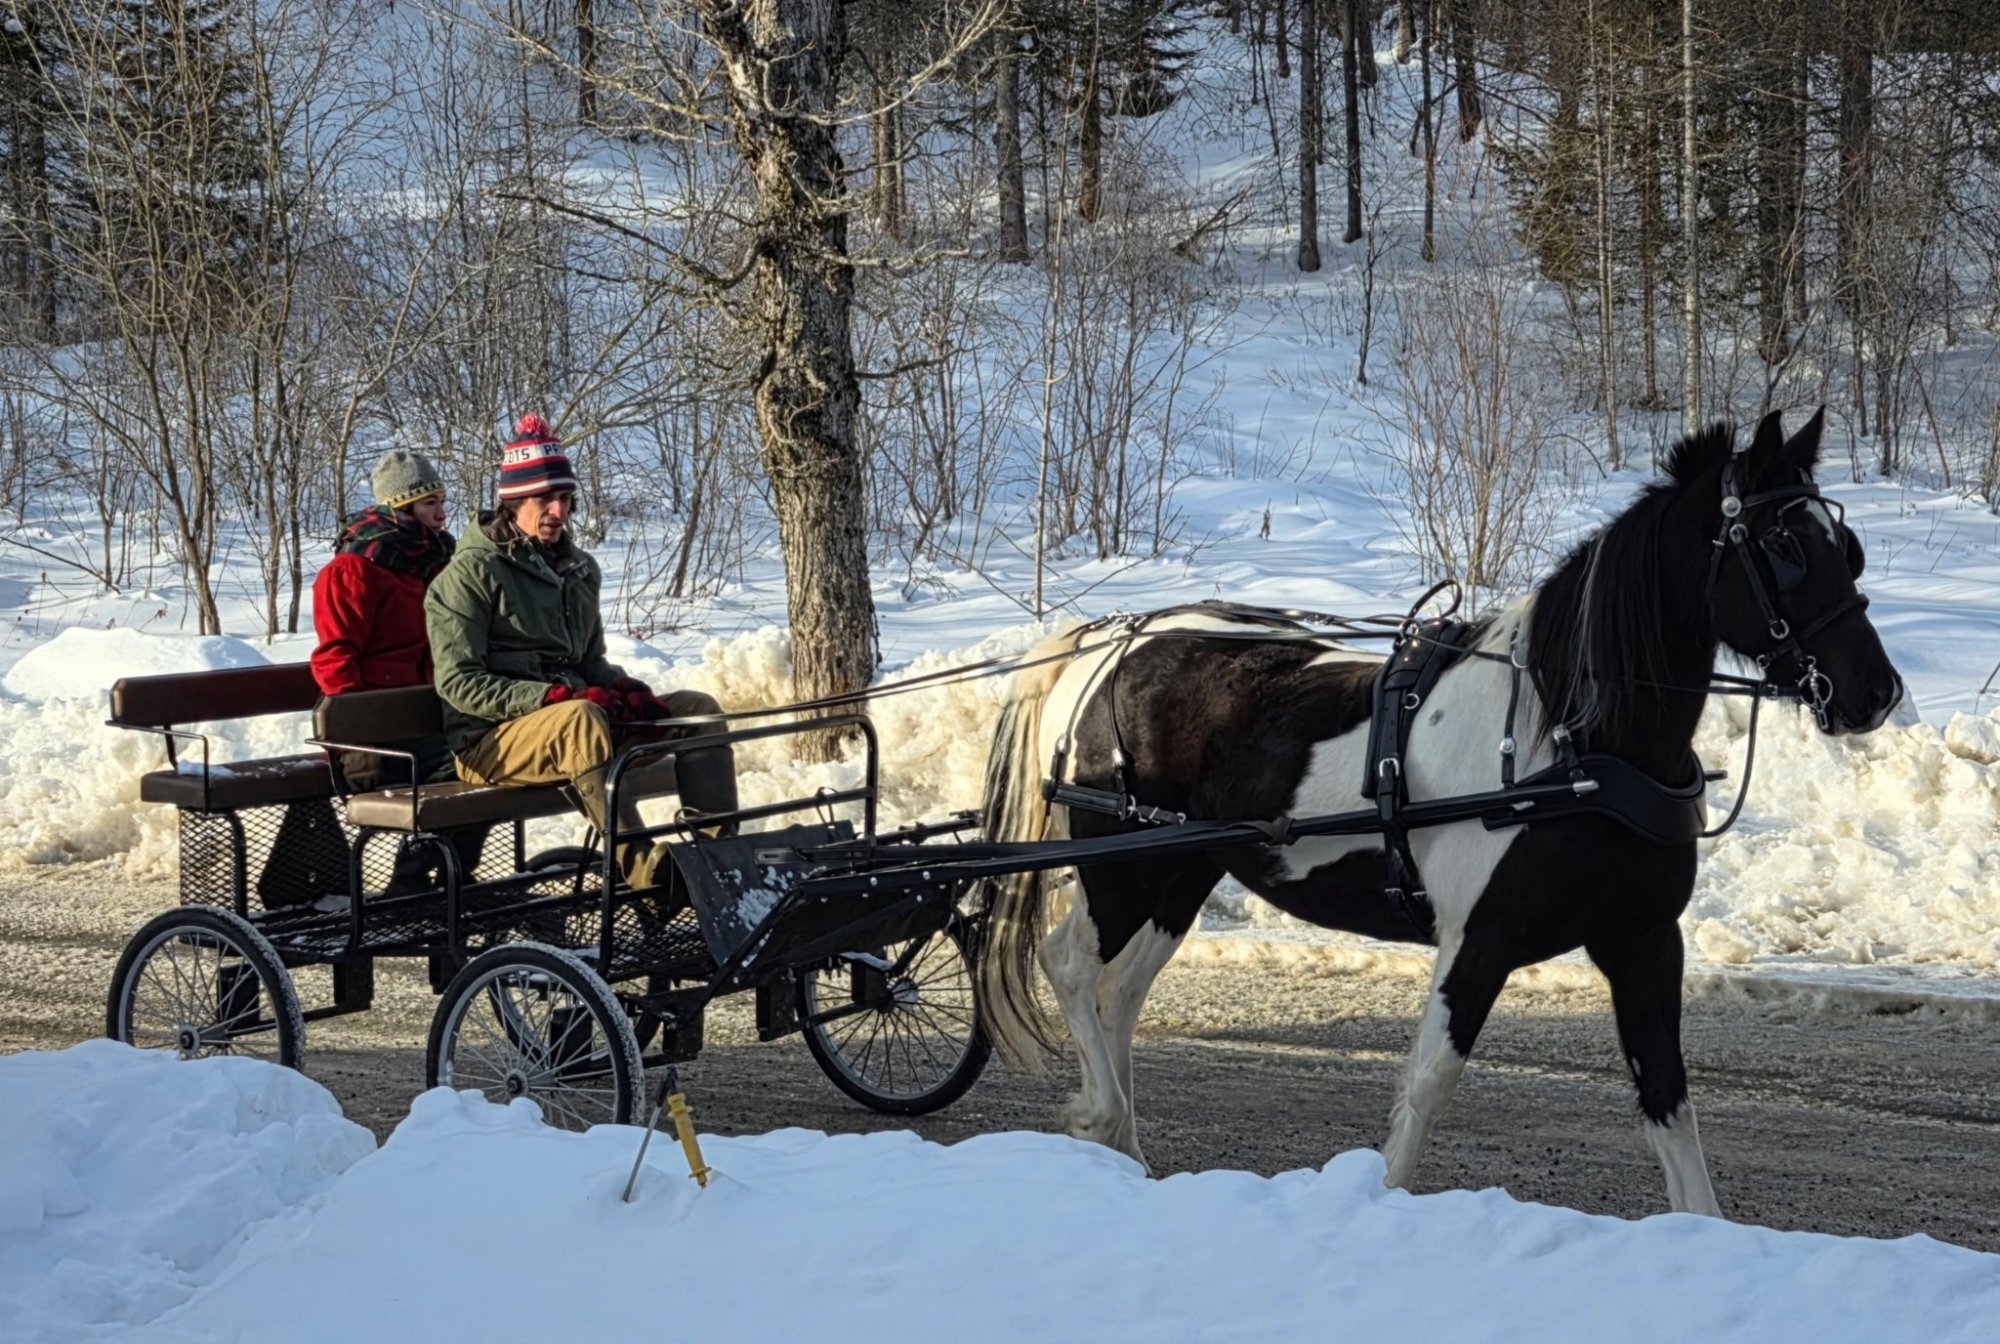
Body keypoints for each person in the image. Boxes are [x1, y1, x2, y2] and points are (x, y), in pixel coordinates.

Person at [424, 414, 737, 888]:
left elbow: (589, 661)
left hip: (570, 724)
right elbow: (458, 684)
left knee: (698, 711)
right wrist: (548, 699)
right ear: (512, 503)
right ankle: (644, 873)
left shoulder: (580, 570)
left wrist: (628, 690)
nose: (558, 511)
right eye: (544, 499)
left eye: (565, 498)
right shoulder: (467, 577)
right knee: (581, 720)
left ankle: (717, 857)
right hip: (488, 741)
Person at [309, 449, 486, 893]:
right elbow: (335, 658)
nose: (442, 514)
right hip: (378, 738)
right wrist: (359, 732)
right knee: (470, 765)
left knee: (497, 757)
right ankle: (417, 876)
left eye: (443, 501)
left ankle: (451, 874)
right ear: (399, 507)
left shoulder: (438, 562)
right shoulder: (353, 570)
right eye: (430, 504)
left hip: (432, 719)